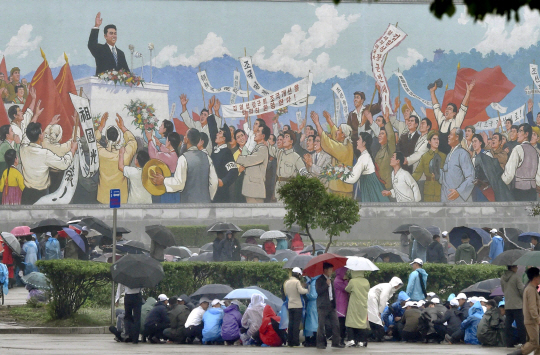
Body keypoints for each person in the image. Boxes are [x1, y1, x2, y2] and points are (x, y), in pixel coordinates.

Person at [150, 128, 218, 203]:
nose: (184, 138)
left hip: (188, 203)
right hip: (205, 203)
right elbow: (214, 181)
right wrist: (209, 197)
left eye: (185, 136)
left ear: (187, 140)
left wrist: (164, 180)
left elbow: (179, 184)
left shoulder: (183, 158)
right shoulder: (207, 157)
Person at [312, 111, 353, 197]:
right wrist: (329, 120)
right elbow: (335, 135)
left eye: (339, 130)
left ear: (343, 135)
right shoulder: (347, 143)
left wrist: (317, 124)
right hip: (339, 187)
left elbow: (327, 142)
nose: (336, 132)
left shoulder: (343, 148)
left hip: (340, 189)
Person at [428, 79, 475, 154]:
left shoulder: (455, 122)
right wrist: (432, 92)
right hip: (439, 156)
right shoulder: (442, 120)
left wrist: (468, 92)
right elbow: (436, 107)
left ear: (454, 113)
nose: (446, 110)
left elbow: (463, 108)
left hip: (450, 156)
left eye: (449, 109)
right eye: (446, 109)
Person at [343, 132, 389, 202]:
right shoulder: (364, 155)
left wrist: (339, 175)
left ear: (364, 143)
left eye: (359, 139)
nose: (357, 141)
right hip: (369, 186)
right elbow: (355, 170)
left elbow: (353, 178)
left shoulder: (364, 157)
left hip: (370, 188)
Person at [502, 123, 540, 201]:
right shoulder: (535, 152)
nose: (518, 134)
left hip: (519, 191)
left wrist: (502, 182)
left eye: (520, 131)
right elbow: (538, 174)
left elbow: (509, 173)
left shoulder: (518, 149)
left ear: (526, 134)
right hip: (532, 191)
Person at [508, 267, 540, 355]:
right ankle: (517, 353)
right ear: (535, 277)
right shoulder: (530, 289)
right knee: (534, 343)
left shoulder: (532, 288)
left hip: (532, 320)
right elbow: (532, 307)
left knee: (538, 344)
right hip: (531, 320)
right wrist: (537, 319)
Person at [439, 128, 475, 202]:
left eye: (451, 134)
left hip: (459, 200)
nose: (448, 136)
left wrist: (459, 191)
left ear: (457, 137)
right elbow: (445, 178)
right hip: (446, 199)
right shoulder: (449, 155)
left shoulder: (463, 154)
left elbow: (471, 178)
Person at [236, 125, 269, 203]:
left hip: (255, 189)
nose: (255, 133)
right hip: (252, 189)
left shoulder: (263, 149)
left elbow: (251, 160)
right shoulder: (256, 148)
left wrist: (239, 158)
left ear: (263, 136)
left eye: (258, 131)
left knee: (257, 213)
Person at [146, 130, 182, 203]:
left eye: (167, 140)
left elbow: (154, 155)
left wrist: (150, 139)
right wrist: (159, 144)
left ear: (169, 142)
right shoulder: (175, 154)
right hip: (174, 184)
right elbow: (167, 152)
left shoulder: (167, 157)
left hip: (167, 184)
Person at [315, 263, 344, 349]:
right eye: (330, 270)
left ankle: (336, 342)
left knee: (336, 324)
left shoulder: (330, 279)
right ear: (325, 270)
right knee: (321, 325)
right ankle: (320, 343)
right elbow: (318, 291)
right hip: (322, 305)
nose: (331, 271)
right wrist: (326, 285)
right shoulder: (319, 280)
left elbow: (332, 293)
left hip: (331, 305)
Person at [412, 130, 446, 201]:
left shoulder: (443, 156)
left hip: (441, 189)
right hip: (428, 190)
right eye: (434, 139)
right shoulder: (424, 156)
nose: (437, 141)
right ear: (429, 141)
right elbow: (417, 173)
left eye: (437, 139)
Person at [367, 276, 403, 342]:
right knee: (376, 319)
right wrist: (380, 312)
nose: (398, 286)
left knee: (373, 318)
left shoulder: (388, 287)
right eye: (398, 284)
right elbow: (383, 299)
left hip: (372, 299)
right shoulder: (388, 287)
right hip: (372, 299)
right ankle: (379, 336)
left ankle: (374, 336)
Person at [500, 265, 526, 348]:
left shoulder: (502, 278)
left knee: (508, 324)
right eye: (516, 267)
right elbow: (522, 290)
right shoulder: (516, 277)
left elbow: (503, 290)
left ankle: (509, 342)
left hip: (508, 304)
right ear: (512, 268)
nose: (517, 268)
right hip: (517, 304)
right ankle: (524, 342)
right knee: (520, 324)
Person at [211, 124, 238, 203]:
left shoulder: (226, 152)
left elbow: (234, 171)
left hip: (221, 194)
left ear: (223, 138)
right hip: (213, 191)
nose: (216, 134)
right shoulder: (215, 151)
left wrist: (223, 181)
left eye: (219, 133)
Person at [344, 270, 370, 347]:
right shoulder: (366, 281)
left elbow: (347, 289)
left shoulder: (353, 281)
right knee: (362, 323)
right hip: (363, 304)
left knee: (351, 321)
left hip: (354, 304)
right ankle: (361, 341)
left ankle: (351, 340)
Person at [283, 266, 308, 347]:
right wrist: (307, 289)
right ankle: (295, 341)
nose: (300, 276)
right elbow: (301, 291)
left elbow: (286, 293)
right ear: (297, 274)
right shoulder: (297, 282)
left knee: (291, 323)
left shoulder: (287, 282)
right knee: (296, 324)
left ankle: (289, 341)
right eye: (300, 275)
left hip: (290, 305)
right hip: (297, 305)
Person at [334, 267, 349, 346]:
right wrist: (347, 281)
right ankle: (340, 339)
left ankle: (341, 339)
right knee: (341, 324)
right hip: (340, 305)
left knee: (342, 323)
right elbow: (346, 288)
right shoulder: (338, 281)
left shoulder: (340, 280)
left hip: (343, 304)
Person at [304, 274, 320, 347]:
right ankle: (316, 339)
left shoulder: (313, 283)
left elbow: (313, 295)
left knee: (313, 322)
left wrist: (306, 294)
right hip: (316, 304)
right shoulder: (316, 281)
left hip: (312, 304)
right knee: (315, 321)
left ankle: (315, 340)